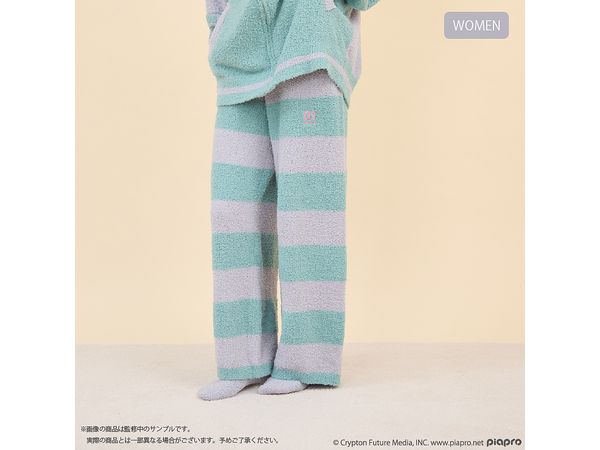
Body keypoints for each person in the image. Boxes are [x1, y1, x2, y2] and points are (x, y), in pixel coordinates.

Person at [198, 0, 380, 401]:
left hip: (309, 54)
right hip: (239, 61)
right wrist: (219, 28)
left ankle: (306, 361)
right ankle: (242, 360)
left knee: (308, 217)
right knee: (232, 214)